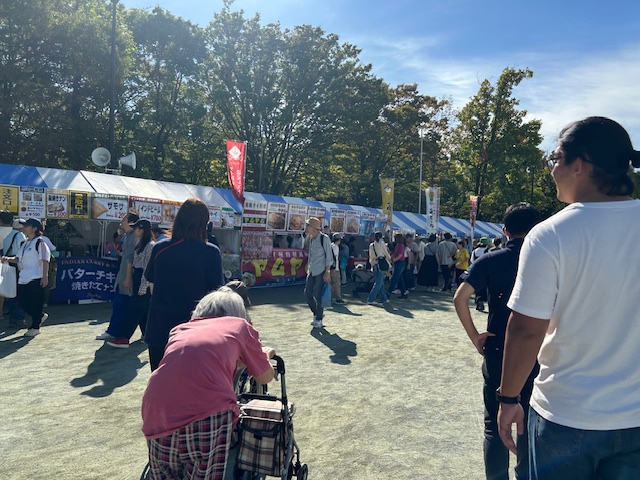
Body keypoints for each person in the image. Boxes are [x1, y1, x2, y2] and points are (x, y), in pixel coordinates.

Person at [497, 117, 640, 479]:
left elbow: (527, 330)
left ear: (579, 165)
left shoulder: (551, 234)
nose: (552, 169)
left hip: (566, 412)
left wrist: (508, 398)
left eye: (556, 158)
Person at [141, 288, 275, 480]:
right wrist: (266, 355)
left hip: (156, 408)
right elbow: (264, 377)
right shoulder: (240, 326)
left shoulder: (180, 329)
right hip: (205, 411)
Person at [454, 203, 541, 480]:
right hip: (537, 350)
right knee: (530, 422)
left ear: (505, 230)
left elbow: (460, 298)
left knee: (493, 423)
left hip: (497, 347)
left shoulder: (490, 259)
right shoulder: (547, 260)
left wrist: (475, 336)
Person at [144, 198, 225, 370]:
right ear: (204, 224)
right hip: (195, 331)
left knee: (160, 380)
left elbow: (152, 284)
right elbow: (217, 295)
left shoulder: (160, 248)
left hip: (160, 328)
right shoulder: (210, 252)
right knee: (191, 381)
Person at [106, 219, 155, 348]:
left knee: (134, 310)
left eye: (137, 228)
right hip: (137, 275)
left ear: (142, 230)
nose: (135, 230)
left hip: (143, 277)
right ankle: (147, 335)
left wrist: (143, 287)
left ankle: (124, 337)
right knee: (143, 310)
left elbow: (147, 268)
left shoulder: (150, 246)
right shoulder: (140, 243)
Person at [1, 218, 50, 337]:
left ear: (34, 228)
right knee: (21, 301)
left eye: (27, 226)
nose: (24, 228)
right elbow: (18, 258)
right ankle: (39, 316)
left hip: (36, 277)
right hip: (23, 277)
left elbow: (45, 260)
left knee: (35, 302)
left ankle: (35, 326)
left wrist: (45, 276)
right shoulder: (25, 243)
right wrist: (8, 259)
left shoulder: (40, 242)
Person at [96, 212, 139, 342]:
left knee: (122, 305)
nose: (121, 221)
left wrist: (128, 278)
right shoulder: (127, 236)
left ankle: (115, 332)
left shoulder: (133, 238)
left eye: (124, 219)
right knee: (124, 305)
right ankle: (116, 331)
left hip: (127, 278)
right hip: (124, 277)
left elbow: (130, 260)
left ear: (131, 222)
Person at [304, 217, 332, 328]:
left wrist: (327, 271)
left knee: (319, 295)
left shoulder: (324, 238)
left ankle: (319, 319)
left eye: (308, 226)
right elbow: (311, 255)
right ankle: (317, 314)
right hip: (312, 270)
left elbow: (329, 256)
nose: (306, 228)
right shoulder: (311, 239)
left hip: (321, 270)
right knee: (307, 293)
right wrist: (308, 269)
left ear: (314, 228)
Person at [367, 231, 391, 306]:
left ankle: (384, 298)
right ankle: (371, 299)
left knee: (379, 282)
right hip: (381, 264)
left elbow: (370, 256)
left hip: (374, 263)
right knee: (379, 283)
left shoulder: (371, 245)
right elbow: (387, 254)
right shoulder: (382, 244)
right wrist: (389, 259)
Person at [388, 233, 408, 298]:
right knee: (400, 278)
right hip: (398, 263)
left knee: (395, 277)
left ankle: (389, 291)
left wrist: (394, 260)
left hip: (400, 262)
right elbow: (394, 253)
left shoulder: (401, 246)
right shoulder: (397, 245)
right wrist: (390, 258)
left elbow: (400, 255)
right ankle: (404, 292)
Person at [329, 233, 345, 306]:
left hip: (329, 268)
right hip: (335, 268)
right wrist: (337, 268)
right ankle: (338, 298)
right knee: (337, 284)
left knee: (330, 284)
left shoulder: (330, 245)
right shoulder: (335, 247)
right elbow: (336, 258)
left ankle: (327, 296)